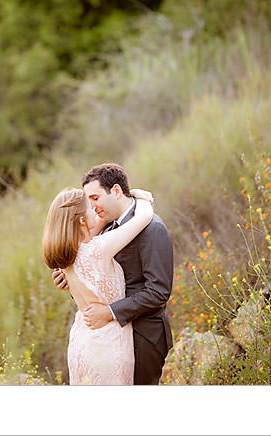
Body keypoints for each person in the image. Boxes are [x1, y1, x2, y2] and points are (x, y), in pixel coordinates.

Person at [51, 163, 174, 384]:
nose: (93, 207)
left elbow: (158, 292)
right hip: (106, 339)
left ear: (116, 191)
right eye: (88, 202)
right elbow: (102, 284)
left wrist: (110, 312)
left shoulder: (152, 229)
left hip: (143, 338)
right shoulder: (105, 230)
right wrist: (74, 282)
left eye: (95, 198)